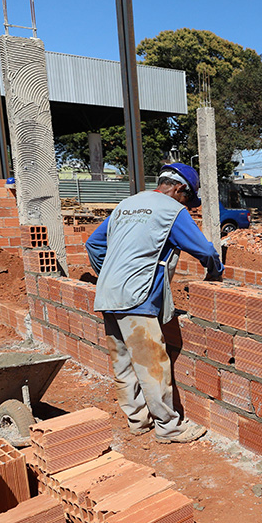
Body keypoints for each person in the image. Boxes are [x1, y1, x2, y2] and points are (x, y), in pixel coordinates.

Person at [87, 163, 223, 443]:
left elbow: (94, 244)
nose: (187, 204)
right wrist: (215, 272)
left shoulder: (127, 205)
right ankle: (169, 428)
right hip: (137, 298)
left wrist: (113, 274)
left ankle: (137, 421)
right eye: (188, 198)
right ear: (180, 188)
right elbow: (205, 250)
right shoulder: (171, 210)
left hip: (109, 294)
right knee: (153, 363)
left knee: (123, 363)